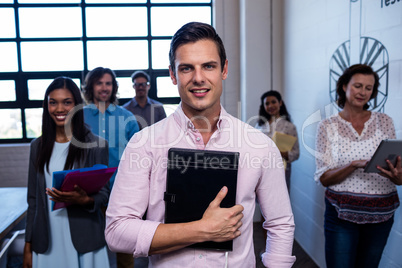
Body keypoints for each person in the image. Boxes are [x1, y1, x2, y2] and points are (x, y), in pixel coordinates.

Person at [105, 22, 296, 267]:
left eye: (208, 66)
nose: (198, 78)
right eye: (186, 68)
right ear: (173, 75)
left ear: (224, 69)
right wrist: (202, 230)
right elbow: (117, 232)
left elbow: (280, 223)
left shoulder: (259, 145)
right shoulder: (144, 144)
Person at [314, 64, 402, 268]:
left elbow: (397, 172)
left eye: (368, 88)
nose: (363, 92)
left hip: (381, 215)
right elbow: (324, 178)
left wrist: (397, 177)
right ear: (344, 86)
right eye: (358, 86)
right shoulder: (328, 126)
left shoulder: (384, 122)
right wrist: (353, 165)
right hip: (342, 214)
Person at [23, 77, 110, 268]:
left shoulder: (96, 144)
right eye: (53, 103)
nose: (59, 109)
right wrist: (28, 246)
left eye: (67, 102)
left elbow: (104, 195)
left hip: (84, 239)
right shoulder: (37, 146)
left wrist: (85, 200)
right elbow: (33, 201)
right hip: (47, 240)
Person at [82, 67, 139, 268]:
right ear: (91, 87)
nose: (104, 87)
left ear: (114, 87)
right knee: (91, 243)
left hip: (120, 190)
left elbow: (137, 156)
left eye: (108, 83)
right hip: (89, 190)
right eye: (99, 83)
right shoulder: (80, 117)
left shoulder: (128, 117)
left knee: (124, 243)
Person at [255, 90, 300, 192]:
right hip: (261, 169)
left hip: (281, 170)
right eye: (267, 103)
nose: (270, 105)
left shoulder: (289, 127)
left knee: (279, 201)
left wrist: (279, 153)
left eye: (273, 102)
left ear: (280, 103)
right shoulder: (259, 126)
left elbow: (296, 154)